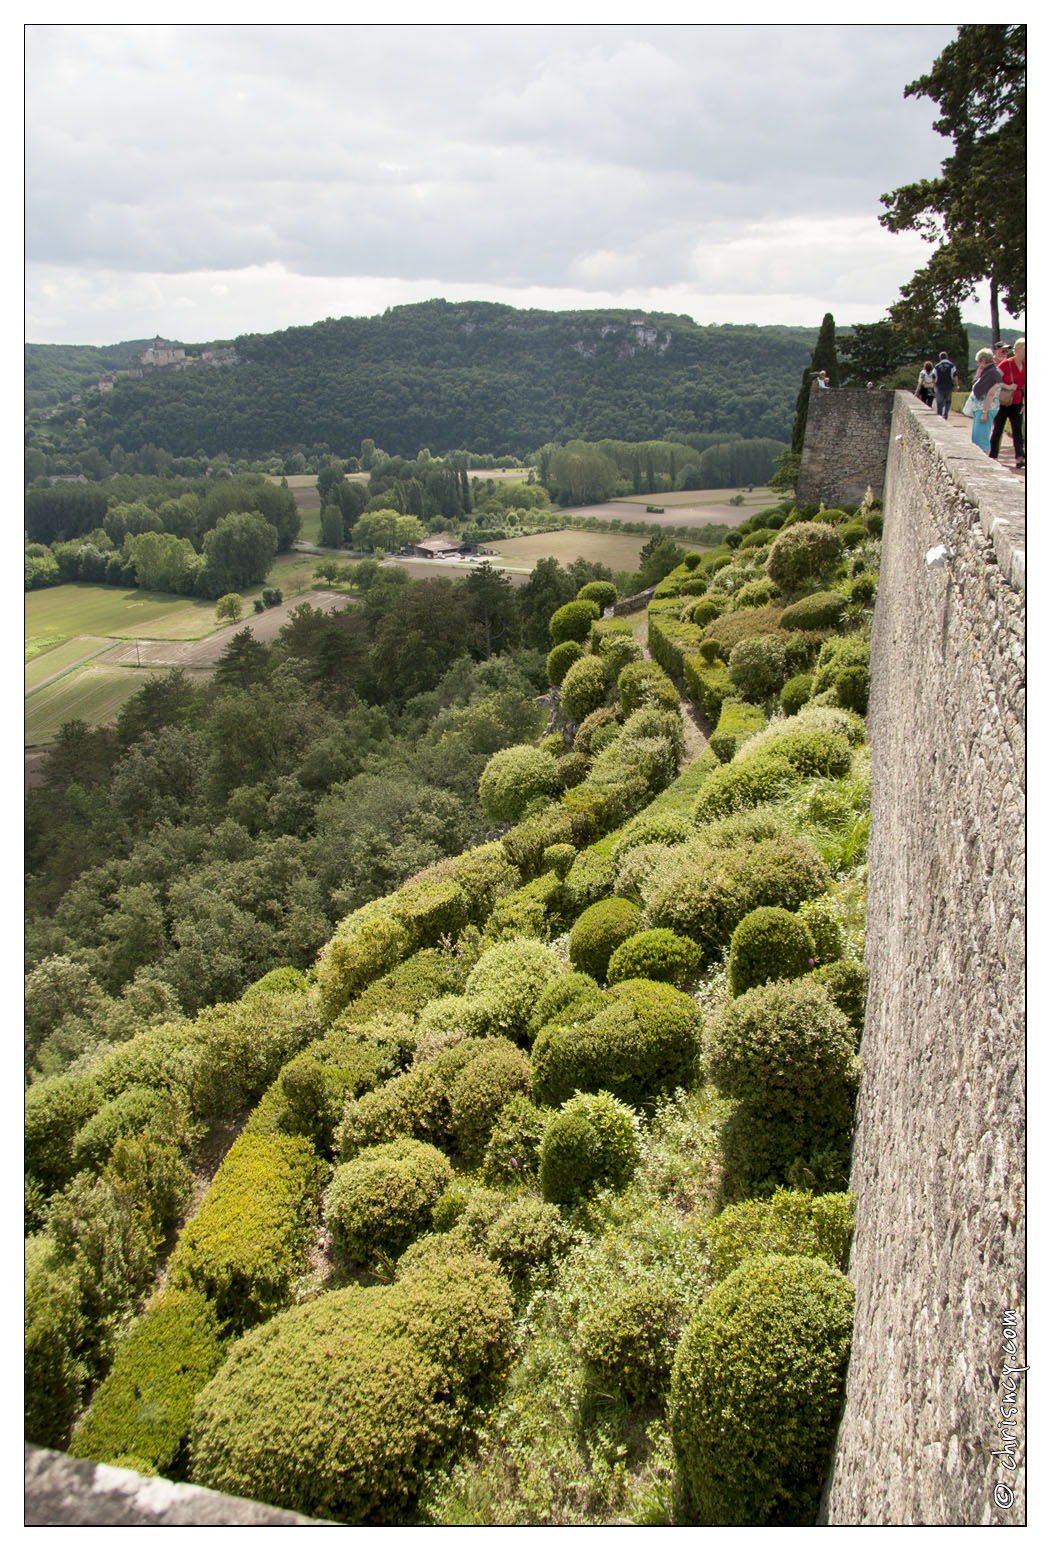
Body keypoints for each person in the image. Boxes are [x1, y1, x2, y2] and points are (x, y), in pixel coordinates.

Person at [990, 338, 1025, 468]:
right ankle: (993, 455)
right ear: (1017, 350)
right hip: (1003, 402)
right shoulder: (1006, 364)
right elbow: (994, 379)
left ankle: (1020, 457)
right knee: (998, 429)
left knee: (1017, 430)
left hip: (1017, 402)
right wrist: (1009, 387)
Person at [969, 348, 1003, 455]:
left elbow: (991, 393)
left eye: (979, 361)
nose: (978, 364)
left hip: (986, 409)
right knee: (977, 438)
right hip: (983, 409)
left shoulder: (992, 373)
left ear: (983, 360)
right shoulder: (991, 372)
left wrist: (985, 412)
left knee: (981, 439)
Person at [933, 352, 959, 418]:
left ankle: (939, 414)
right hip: (949, 385)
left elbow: (933, 376)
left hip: (940, 386)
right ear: (947, 357)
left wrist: (935, 384)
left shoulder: (937, 366)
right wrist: (957, 385)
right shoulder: (951, 365)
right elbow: (955, 375)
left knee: (939, 401)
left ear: (940, 358)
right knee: (948, 401)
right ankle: (946, 414)